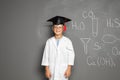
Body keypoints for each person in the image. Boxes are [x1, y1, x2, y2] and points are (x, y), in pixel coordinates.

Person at [41, 16, 75, 80]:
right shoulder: (49, 42)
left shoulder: (67, 41)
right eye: (55, 27)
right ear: (52, 28)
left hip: (63, 70)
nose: (58, 29)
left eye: (60, 27)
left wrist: (69, 68)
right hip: (52, 70)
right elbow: (46, 56)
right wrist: (47, 69)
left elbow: (71, 55)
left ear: (63, 28)